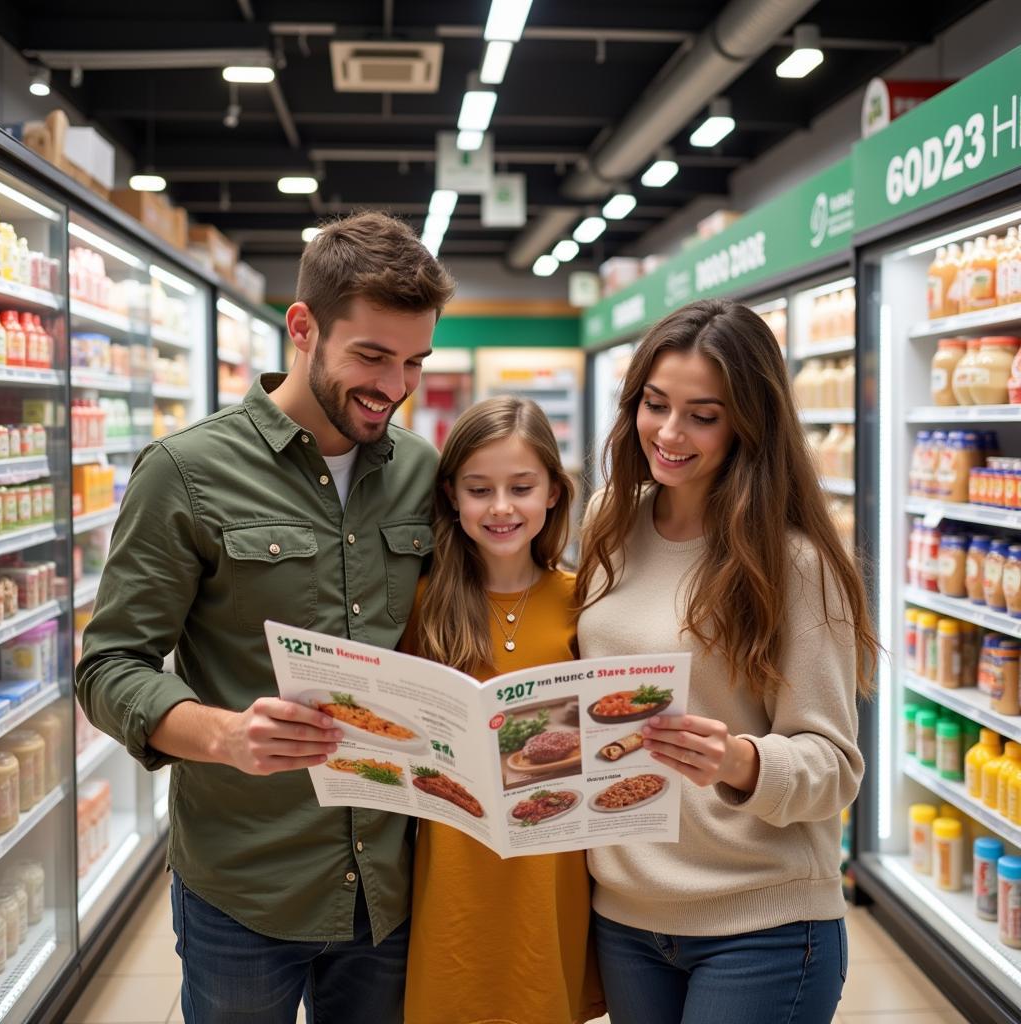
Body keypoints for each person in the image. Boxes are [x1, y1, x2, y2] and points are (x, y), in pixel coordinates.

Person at [76, 211, 456, 1024]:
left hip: (390, 885)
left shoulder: (424, 471)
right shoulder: (185, 473)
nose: (394, 386)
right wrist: (222, 736)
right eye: (371, 356)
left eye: (415, 362)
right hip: (244, 886)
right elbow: (108, 667)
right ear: (302, 326)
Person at [575, 298, 878, 1024]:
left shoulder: (794, 563)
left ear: (749, 421)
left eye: (703, 415)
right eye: (655, 404)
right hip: (626, 913)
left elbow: (836, 767)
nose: (670, 433)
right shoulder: (607, 520)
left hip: (762, 927)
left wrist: (739, 760)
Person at [398, 396, 603, 1024]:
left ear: (553, 495)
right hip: (454, 860)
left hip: (553, 863)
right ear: (452, 499)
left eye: (521, 487)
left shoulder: (585, 601)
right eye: (479, 489)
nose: (502, 508)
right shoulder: (423, 602)